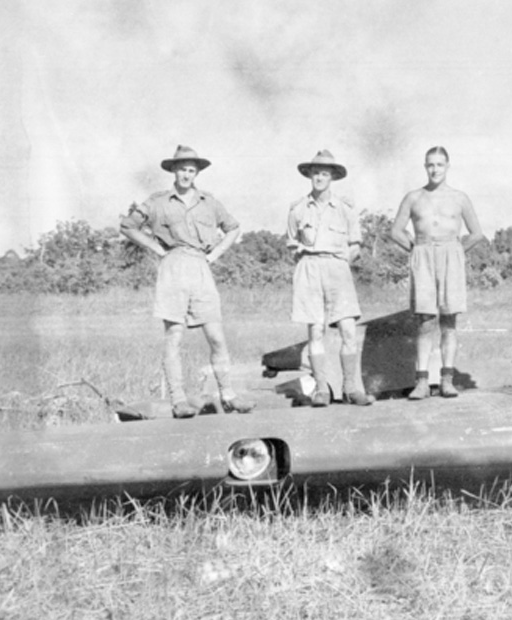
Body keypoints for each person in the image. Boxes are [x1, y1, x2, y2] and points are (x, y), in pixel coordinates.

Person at [120, 145, 255, 418]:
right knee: (174, 337)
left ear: (197, 173)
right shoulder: (157, 201)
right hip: (173, 268)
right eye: (182, 169)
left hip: (201, 267)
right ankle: (178, 400)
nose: (186, 174)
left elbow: (232, 228)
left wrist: (215, 255)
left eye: (191, 170)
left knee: (216, 337)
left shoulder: (209, 202)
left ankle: (228, 395)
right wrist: (157, 250)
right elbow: (127, 226)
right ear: (173, 170)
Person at [389, 146, 486, 399]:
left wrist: (456, 252)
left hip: (450, 255)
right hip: (423, 255)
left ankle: (447, 380)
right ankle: (421, 382)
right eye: (430, 165)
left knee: (449, 322)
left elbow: (476, 234)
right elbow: (395, 230)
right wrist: (415, 249)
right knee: (425, 322)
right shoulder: (413, 197)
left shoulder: (460, 197)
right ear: (425, 167)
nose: (435, 169)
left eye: (439, 165)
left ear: (447, 166)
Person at [287, 150, 372, 407]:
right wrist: (310, 263)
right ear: (309, 175)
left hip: (338, 268)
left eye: (325, 173)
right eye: (316, 173)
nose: (320, 177)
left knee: (348, 330)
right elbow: (292, 245)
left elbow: (355, 245)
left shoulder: (345, 209)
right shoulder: (298, 209)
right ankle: (322, 389)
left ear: (333, 176)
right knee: (316, 330)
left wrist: (341, 263)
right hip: (310, 268)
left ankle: (350, 387)